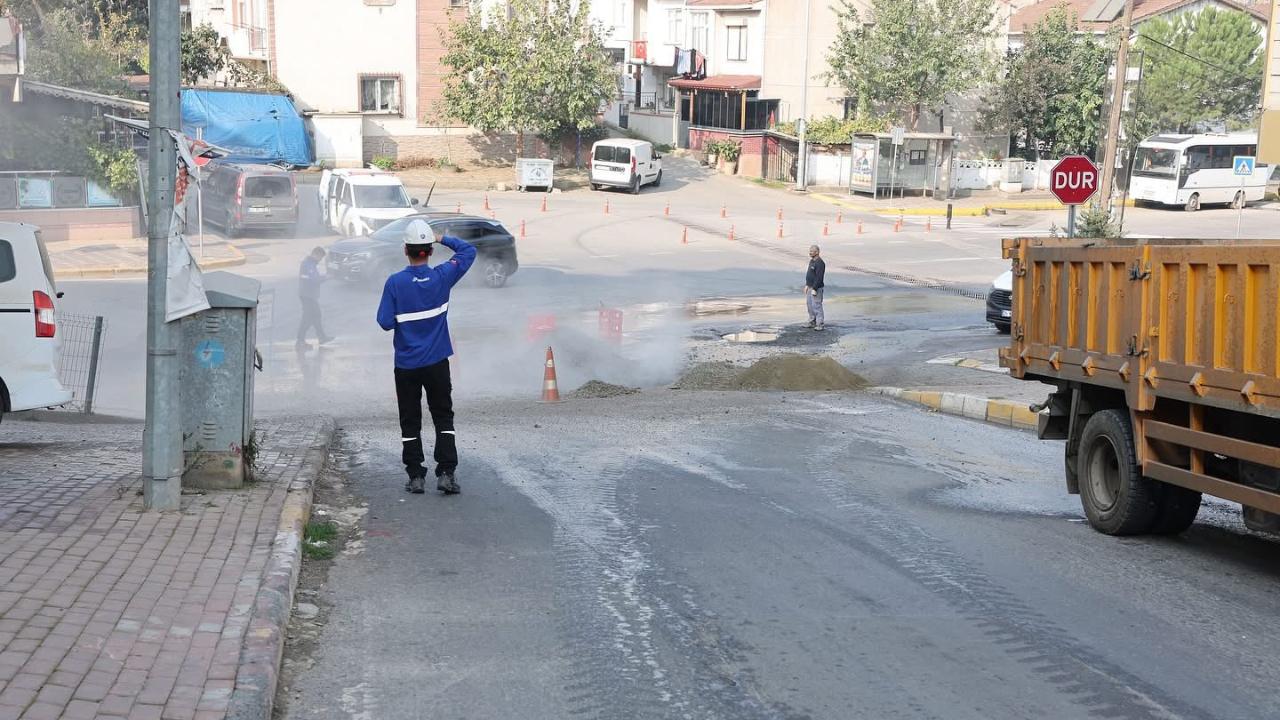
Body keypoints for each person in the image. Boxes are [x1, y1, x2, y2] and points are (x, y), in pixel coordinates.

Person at [377, 219, 477, 495]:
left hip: (407, 366)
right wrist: (442, 237)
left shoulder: (395, 283)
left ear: (405, 250)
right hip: (437, 364)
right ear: (429, 251)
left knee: (410, 420)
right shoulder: (443, 277)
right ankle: (446, 472)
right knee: (443, 416)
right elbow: (468, 252)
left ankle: (416, 476)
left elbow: (385, 321)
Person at [297, 247, 333, 351]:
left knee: (316, 316)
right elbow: (314, 280)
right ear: (316, 254)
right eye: (320, 258)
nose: (320, 260)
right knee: (308, 318)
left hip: (309, 295)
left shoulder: (310, 263)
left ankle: (322, 337)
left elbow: (313, 278)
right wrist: (326, 277)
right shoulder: (308, 264)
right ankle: (300, 341)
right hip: (307, 295)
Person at [805, 244, 826, 331]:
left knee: (816, 305)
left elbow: (819, 277)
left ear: (817, 252)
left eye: (812, 251)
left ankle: (820, 324)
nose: (810, 253)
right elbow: (810, 274)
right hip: (809, 287)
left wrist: (815, 288)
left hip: (816, 288)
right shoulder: (812, 261)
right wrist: (807, 285)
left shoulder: (820, 263)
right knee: (810, 305)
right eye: (810, 251)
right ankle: (812, 322)